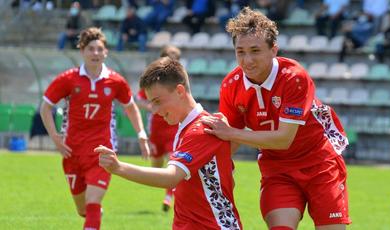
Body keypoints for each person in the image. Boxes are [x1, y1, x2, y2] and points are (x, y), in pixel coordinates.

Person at [201, 7, 351, 230]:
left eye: (255, 50)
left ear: (274, 50)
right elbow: (227, 141)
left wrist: (231, 133)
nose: (247, 60)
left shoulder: (294, 77)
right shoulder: (231, 85)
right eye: (240, 52)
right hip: (277, 169)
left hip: (320, 162)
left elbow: (284, 139)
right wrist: (203, 168)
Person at [95, 56, 242, 229]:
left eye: (158, 101)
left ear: (180, 91)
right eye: (152, 104)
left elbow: (170, 178)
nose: (155, 111)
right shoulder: (189, 126)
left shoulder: (202, 129)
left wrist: (118, 167)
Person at [40, 27, 150, 230]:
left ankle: (93, 217)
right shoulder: (68, 79)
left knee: (93, 201)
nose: (96, 53)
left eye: (100, 49)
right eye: (91, 49)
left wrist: (141, 134)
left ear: (106, 52)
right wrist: (55, 137)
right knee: (83, 209)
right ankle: (92, 216)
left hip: (102, 151)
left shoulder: (116, 81)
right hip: (72, 151)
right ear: (82, 51)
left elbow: (131, 107)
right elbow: (45, 106)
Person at [135, 45, 181, 211]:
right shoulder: (152, 80)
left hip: (173, 127)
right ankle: (165, 187)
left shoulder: (180, 81)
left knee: (173, 162)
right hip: (156, 128)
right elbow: (139, 99)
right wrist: (152, 106)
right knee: (156, 164)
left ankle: (169, 197)